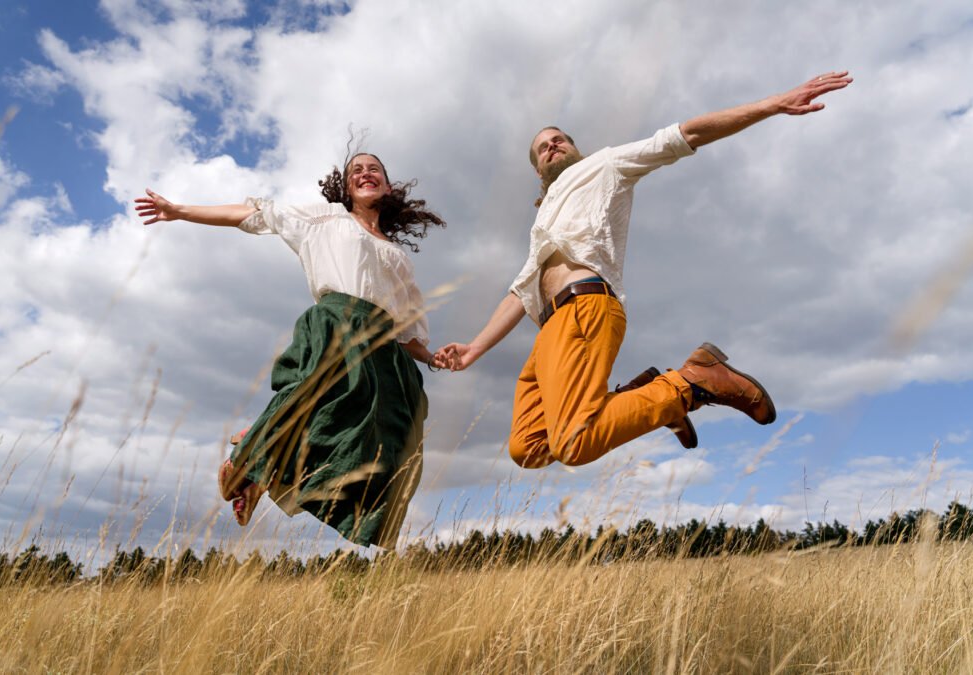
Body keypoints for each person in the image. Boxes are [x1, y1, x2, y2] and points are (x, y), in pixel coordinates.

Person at [437, 71, 852, 469]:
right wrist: (475, 349)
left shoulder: (604, 166)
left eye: (559, 139)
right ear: (537, 170)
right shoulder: (544, 217)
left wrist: (771, 105)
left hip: (584, 310)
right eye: (543, 146)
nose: (552, 145)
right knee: (527, 447)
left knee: (573, 442)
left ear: (574, 148)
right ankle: (647, 400)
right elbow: (520, 291)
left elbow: (683, 135)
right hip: (550, 333)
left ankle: (691, 382)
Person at [135, 152, 447, 548]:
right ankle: (251, 455)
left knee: (393, 432)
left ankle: (260, 467)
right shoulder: (325, 218)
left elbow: (408, 329)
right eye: (356, 169)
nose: (365, 173)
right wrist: (179, 211)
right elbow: (252, 214)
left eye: (374, 169)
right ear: (347, 187)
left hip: (384, 346)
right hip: (339, 322)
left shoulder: (398, 257)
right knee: (326, 390)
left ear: (387, 185)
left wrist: (435, 358)